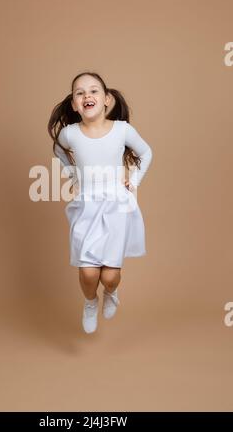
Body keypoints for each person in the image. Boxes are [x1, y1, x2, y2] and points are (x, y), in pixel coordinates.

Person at [48, 72, 153, 334]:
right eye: (79, 93)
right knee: (88, 273)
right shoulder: (70, 134)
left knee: (109, 276)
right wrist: (72, 173)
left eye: (93, 91)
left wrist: (135, 180)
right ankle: (90, 302)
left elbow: (146, 151)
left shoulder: (122, 130)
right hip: (87, 206)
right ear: (74, 104)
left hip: (117, 206)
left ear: (107, 99)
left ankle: (111, 292)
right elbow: (58, 151)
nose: (87, 96)